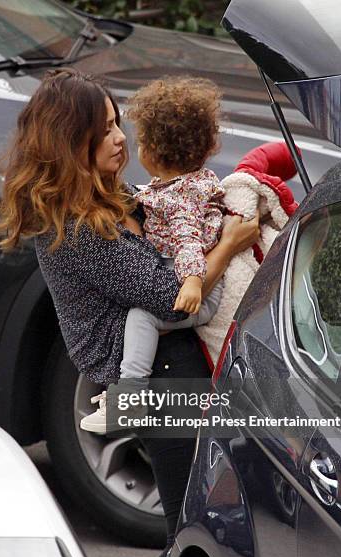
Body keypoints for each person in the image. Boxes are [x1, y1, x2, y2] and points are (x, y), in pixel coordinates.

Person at [0, 68, 260, 557]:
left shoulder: (107, 200)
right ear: (72, 142)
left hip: (174, 362)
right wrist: (229, 242)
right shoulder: (75, 229)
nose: (122, 139)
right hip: (158, 376)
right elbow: (168, 296)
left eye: (119, 124)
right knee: (193, 535)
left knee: (194, 531)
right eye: (107, 129)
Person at [81, 76, 229, 434]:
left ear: (153, 152)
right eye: (109, 128)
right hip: (196, 283)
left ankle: (129, 399)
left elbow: (188, 241)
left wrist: (194, 282)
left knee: (141, 317)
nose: (122, 139)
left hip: (197, 287)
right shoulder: (190, 183)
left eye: (133, 134)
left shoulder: (174, 200)